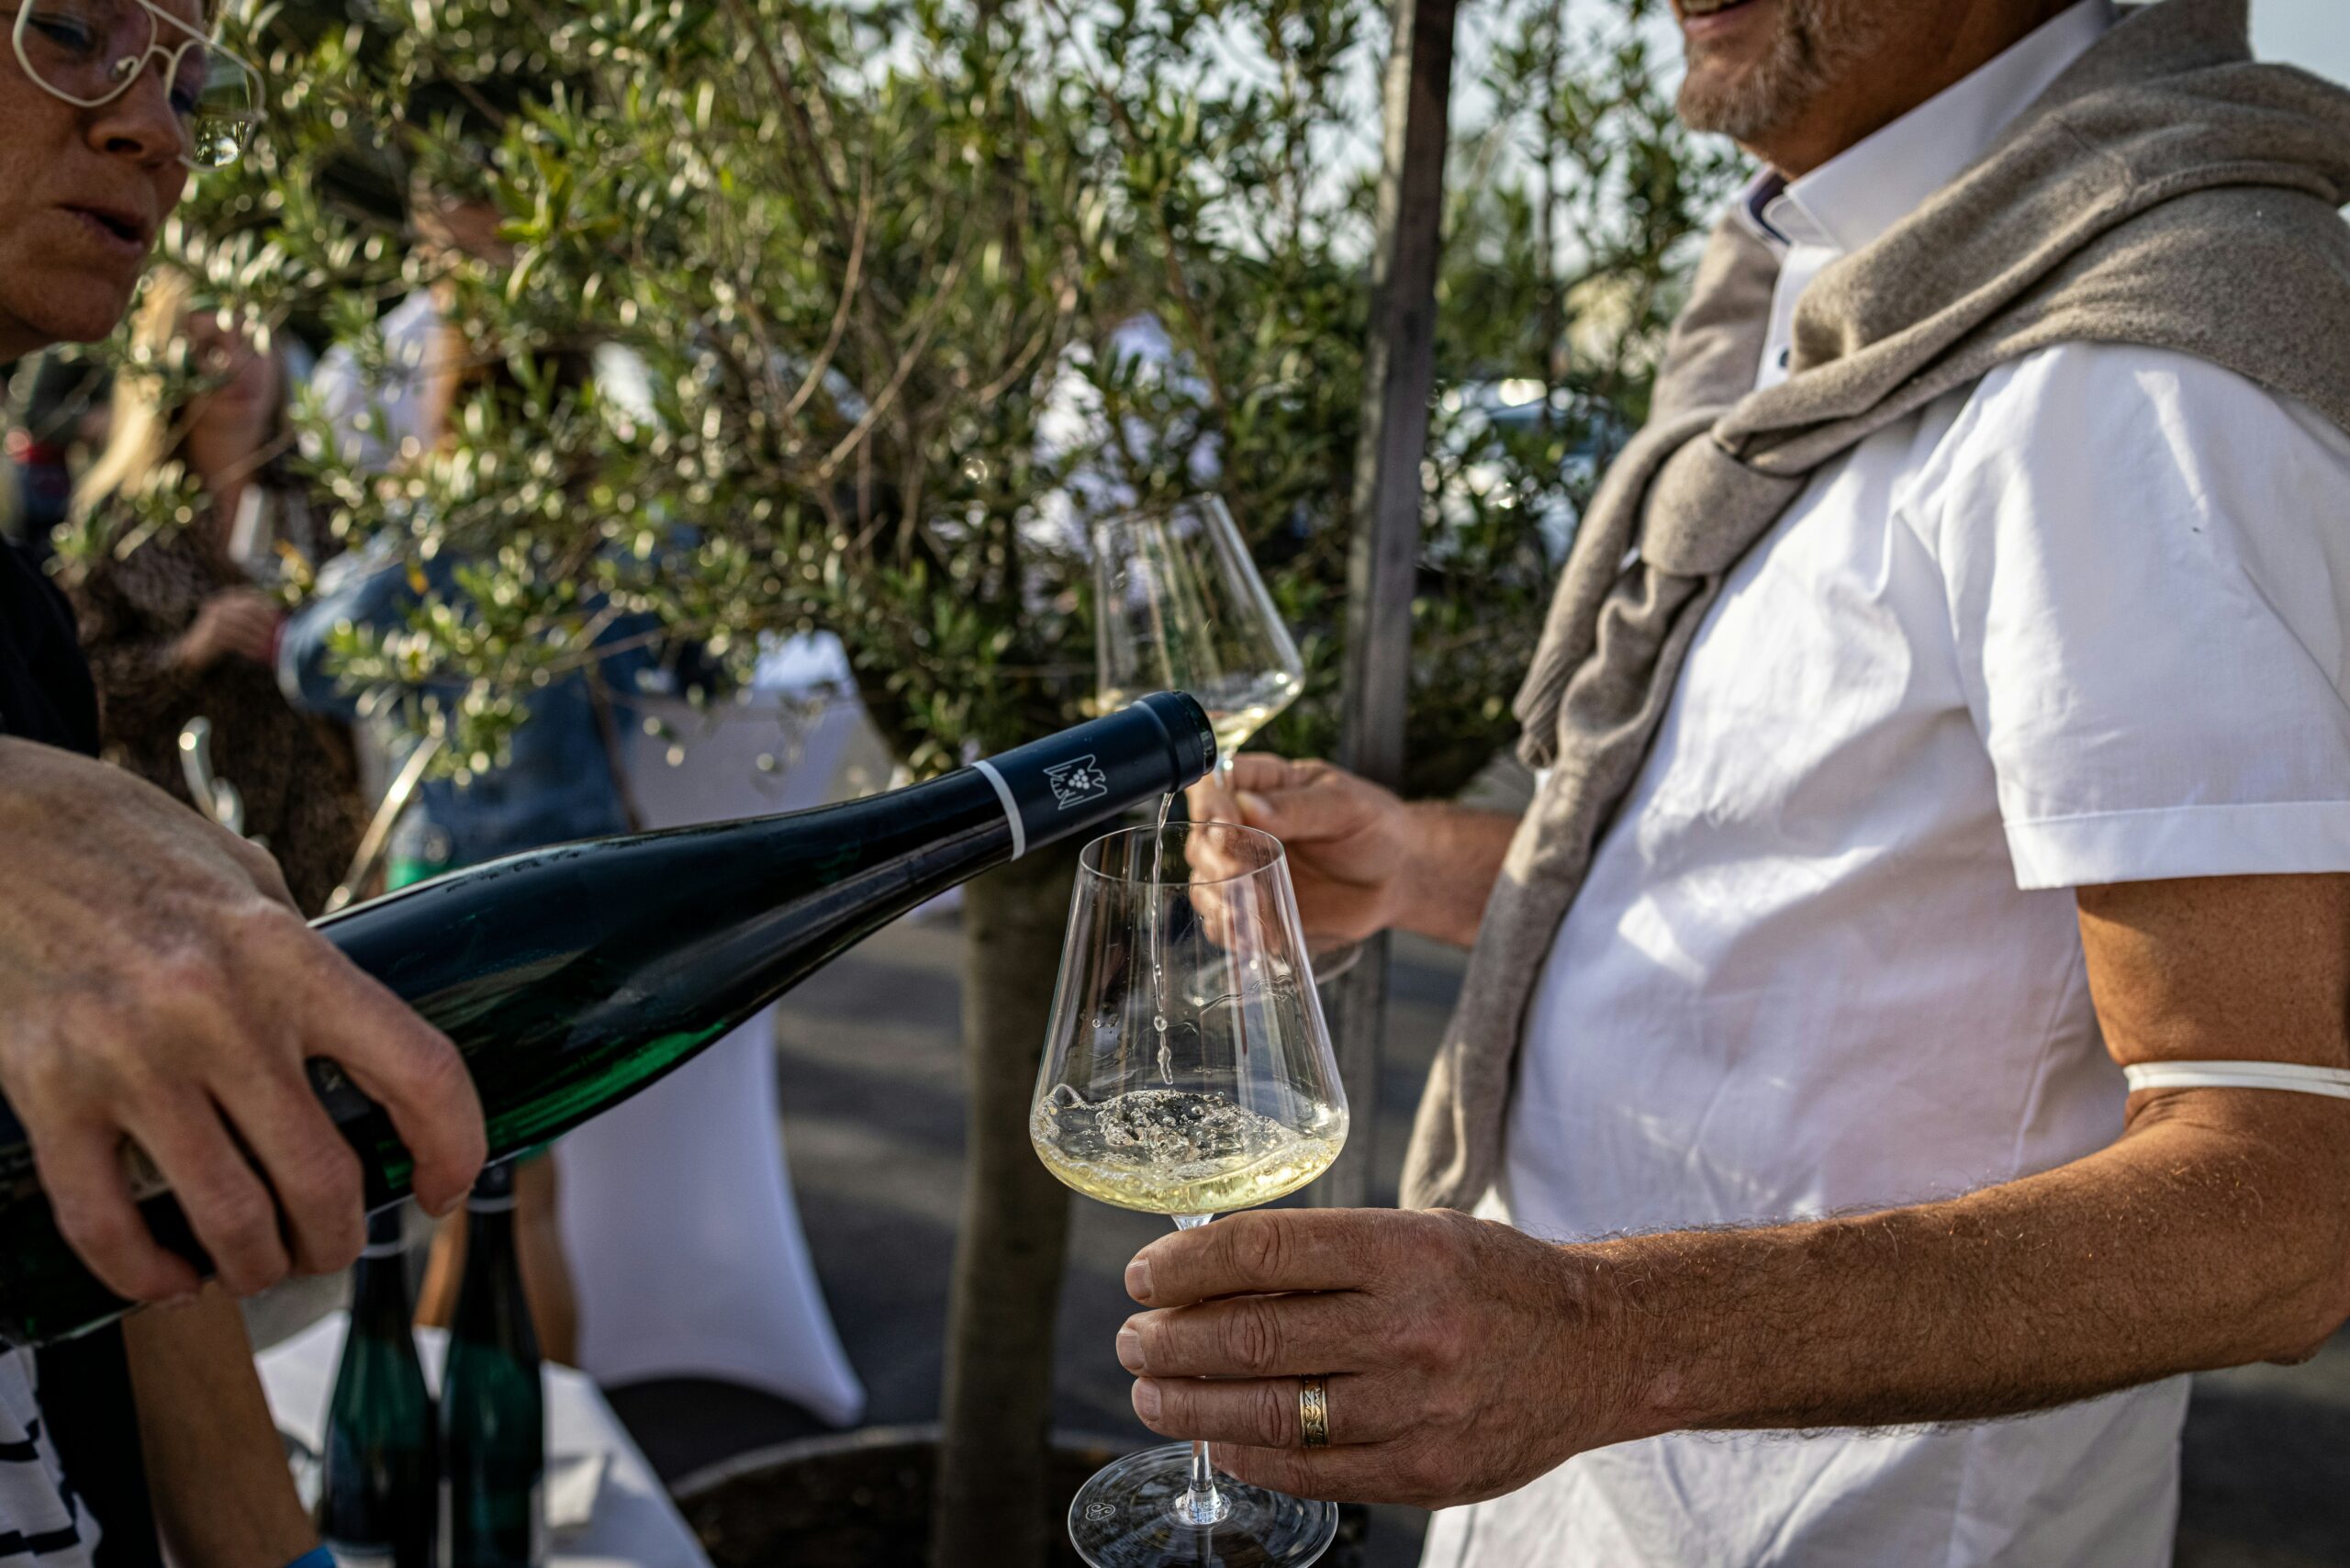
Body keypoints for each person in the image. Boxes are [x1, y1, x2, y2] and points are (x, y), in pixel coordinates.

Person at [1136, 0, 2350, 1562]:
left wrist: (1594, 1331)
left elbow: (2280, 1196)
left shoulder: (2132, 377)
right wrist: (1426, 860)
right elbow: (1816, 870)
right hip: (1601, 1492)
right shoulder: (1861, 276)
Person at [0, 0, 486, 1559]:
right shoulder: (103, 548)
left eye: (190, 76)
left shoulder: (9, 622)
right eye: (69, 28)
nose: (154, 124)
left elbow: (132, 1261)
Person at [59, 265, 364, 914]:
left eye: (254, 337)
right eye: (206, 347)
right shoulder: (119, 522)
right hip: (175, 844)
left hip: (320, 840)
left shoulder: (326, 504)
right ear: (165, 368)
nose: (237, 363)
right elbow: (76, 697)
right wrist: (190, 650)